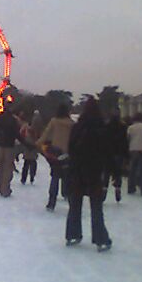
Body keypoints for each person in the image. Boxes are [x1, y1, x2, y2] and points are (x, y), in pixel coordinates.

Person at [65, 97, 112, 252]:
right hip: (94, 170)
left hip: (78, 168)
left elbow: (71, 147)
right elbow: (106, 152)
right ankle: (100, 238)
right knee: (96, 207)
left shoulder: (78, 127)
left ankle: (73, 234)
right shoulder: (102, 128)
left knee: (75, 204)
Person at [37, 103, 73, 211]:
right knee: (67, 177)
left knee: (55, 177)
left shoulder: (54, 121)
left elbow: (46, 134)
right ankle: (69, 198)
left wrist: (38, 143)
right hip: (68, 153)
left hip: (56, 153)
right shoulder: (72, 124)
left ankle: (51, 202)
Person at [0, 103, 30, 197]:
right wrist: (26, 144)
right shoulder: (13, 120)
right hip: (9, 146)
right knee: (8, 169)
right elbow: (17, 134)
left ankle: (0, 186)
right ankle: (5, 188)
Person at [102, 107, 127, 202]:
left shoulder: (107, 125)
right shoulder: (123, 126)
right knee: (118, 172)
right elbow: (125, 141)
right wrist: (125, 154)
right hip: (119, 152)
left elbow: (103, 139)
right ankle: (118, 188)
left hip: (108, 152)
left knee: (106, 173)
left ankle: (104, 190)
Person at [20, 117, 39, 185]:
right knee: (33, 162)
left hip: (27, 144)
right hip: (33, 144)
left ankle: (23, 178)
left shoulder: (25, 127)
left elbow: (21, 134)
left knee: (26, 162)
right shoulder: (36, 128)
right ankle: (32, 176)